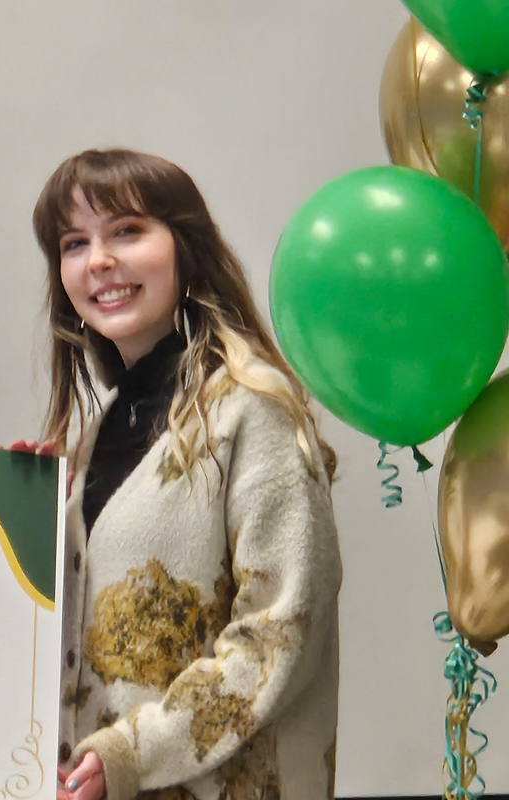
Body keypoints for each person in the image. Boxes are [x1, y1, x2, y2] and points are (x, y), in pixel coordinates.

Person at [26, 148, 342, 800]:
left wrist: (130, 756)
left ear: (184, 247)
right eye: (74, 243)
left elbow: (281, 633)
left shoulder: (253, 410)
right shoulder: (90, 443)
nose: (99, 260)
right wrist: (22, 525)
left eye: (127, 231)